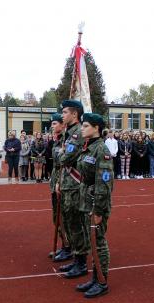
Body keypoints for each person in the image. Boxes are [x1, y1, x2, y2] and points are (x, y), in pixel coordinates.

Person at [75, 113, 113, 298]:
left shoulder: (101, 150)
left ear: (96, 128)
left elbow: (104, 184)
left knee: (98, 242)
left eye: (86, 126)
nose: (82, 128)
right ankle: (95, 277)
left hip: (96, 203)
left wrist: (98, 209)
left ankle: (102, 281)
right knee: (91, 241)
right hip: (86, 200)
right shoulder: (88, 147)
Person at [56, 99, 89, 279]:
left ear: (74, 114)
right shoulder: (69, 132)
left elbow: (65, 159)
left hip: (76, 186)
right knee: (69, 223)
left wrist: (61, 154)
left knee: (76, 224)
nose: (62, 116)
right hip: (68, 184)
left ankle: (81, 262)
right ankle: (76, 258)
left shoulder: (77, 133)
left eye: (65, 113)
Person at [49, 113, 71, 261]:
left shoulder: (66, 140)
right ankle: (65, 245)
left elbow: (64, 162)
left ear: (63, 125)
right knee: (56, 218)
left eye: (55, 123)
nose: (52, 126)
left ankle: (68, 248)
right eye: (52, 124)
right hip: (55, 181)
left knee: (64, 218)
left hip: (63, 182)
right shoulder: (56, 141)